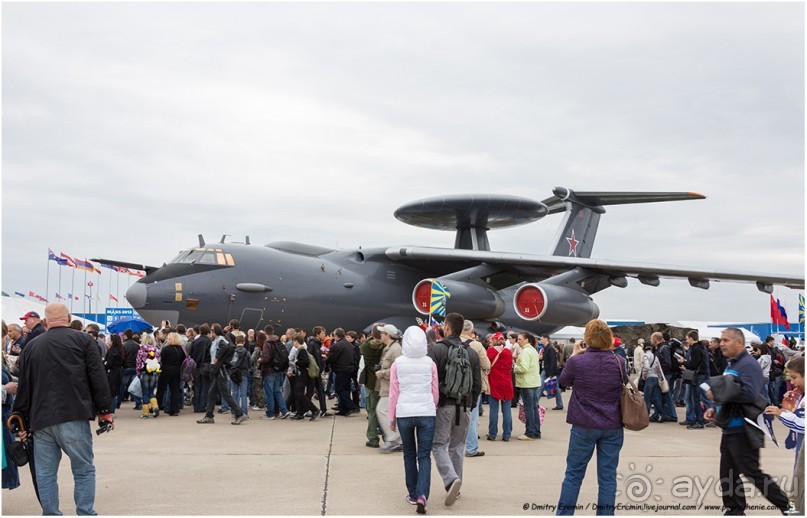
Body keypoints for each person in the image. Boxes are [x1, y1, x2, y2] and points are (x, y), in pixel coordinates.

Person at [13, 303, 113, 515]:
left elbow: (24, 386)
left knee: (46, 474)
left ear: (45, 322)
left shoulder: (31, 346)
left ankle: (51, 514)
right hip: (74, 414)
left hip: (41, 419)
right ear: (68, 317)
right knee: (83, 469)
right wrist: (105, 410)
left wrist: (20, 418)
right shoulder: (84, 340)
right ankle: (85, 512)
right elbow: (98, 377)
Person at [704, 328, 789, 514]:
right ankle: (735, 509)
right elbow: (730, 391)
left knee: (753, 473)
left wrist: (718, 392)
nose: (722, 343)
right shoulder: (732, 364)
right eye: (722, 340)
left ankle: (788, 506)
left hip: (743, 429)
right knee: (728, 474)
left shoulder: (748, 364)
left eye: (726, 340)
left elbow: (750, 393)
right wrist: (714, 407)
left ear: (739, 343)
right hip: (729, 428)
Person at [556, 319, 625, 516]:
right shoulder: (619, 362)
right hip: (612, 423)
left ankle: (564, 514)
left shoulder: (577, 362)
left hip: (584, 423)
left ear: (587, 338)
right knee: (608, 476)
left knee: (574, 474)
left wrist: (574, 354)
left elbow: (564, 381)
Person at [427, 312, 481, 506]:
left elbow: (431, 381)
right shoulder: (472, 352)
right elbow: (477, 384)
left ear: (447, 328)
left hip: (444, 405)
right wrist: (470, 405)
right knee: (458, 447)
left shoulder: (437, 350)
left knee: (438, 444)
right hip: (464, 406)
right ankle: (456, 488)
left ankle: (450, 480)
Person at [389, 326, 439, 514]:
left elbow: (394, 393)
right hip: (426, 411)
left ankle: (412, 493)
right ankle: (422, 495)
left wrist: (392, 417)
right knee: (424, 456)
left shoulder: (397, 363)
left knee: (409, 454)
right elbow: (435, 390)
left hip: (404, 412)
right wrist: (432, 406)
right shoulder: (430, 363)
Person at [765, 355, 804, 514]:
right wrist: (789, 405)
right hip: (800, 454)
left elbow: (803, 424)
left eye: (794, 377)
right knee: (796, 489)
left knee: (799, 492)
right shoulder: (801, 395)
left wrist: (782, 414)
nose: (792, 383)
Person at [197, 327, 248, 425]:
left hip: (221, 371)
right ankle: (209, 415)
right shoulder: (218, 340)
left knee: (225, 394)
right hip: (218, 370)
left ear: (213, 332)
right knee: (212, 393)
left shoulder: (220, 340)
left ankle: (240, 413)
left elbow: (225, 347)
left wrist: (217, 357)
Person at [461, 320, 489, 458]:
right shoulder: (477, 345)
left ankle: (454, 447)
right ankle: (471, 448)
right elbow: (486, 364)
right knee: (471, 418)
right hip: (472, 385)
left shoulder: (449, 342)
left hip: (453, 384)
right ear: (471, 331)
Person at [376, 324, 404, 453]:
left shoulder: (395, 349)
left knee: (381, 410)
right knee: (390, 413)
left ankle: (393, 438)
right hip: (387, 387)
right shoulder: (389, 348)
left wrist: (382, 373)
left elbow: (398, 369)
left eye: (382, 333)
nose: (380, 335)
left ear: (387, 335)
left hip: (391, 388)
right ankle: (398, 440)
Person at [360, 324, 386, 448]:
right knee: (386, 411)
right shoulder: (386, 346)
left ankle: (373, 438)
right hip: (385, 382)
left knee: (372, 411)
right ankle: (388, 437)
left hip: (371, 382)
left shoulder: (365, 346)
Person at [486, 332, 514, 442]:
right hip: (506, 383)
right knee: (506, 410)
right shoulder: (508, 352)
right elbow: (510, 366)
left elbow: (487, 365)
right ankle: (507, 434)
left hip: (494, 383)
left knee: (493, 410)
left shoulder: (490, 351)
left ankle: (492, 434)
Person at [514, 332, 541, 440]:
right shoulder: (533, 350)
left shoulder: (525, 352)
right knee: (534, 408)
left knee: (529, 409)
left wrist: (515, 367)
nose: (518, 341)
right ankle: (536, 431)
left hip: (526, 383)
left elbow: (523, 368)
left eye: (520, 339)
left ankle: (530, 432)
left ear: (526, 340)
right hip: (533, 382)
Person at [327, 328, 360, 416]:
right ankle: (344, 409)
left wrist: (326, 359)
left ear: (336, 336)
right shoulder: (349, 344)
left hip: (341, 370)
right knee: (346, 389)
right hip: (349, 369)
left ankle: (351, 406)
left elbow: (332, 358)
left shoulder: (337, 345)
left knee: (339, 389)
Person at [287, 333, 319, 421]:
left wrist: (297, 362)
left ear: (296, 342)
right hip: (301, 375)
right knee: (298, 395)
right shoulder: (301, 350)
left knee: (299, 394)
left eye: (293, 342)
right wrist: (293, 372)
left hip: (303, 376)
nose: (293, 343)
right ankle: (300, 413)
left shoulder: (302, 350)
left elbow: (305, 362)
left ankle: (314, 409)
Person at [156, 332, 187, 416]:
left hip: (166, 370)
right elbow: (183, 361)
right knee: (175, 390)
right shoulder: (182, 349)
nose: (167, 340)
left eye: (169, 339)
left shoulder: (166, 349)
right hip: (177, 371)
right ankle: (174, 409)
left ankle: (156, 407)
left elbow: (161, 360)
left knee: (161, 390)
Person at [537, 334, 563, 411]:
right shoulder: (547, 348)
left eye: (542, 339)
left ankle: (559, 405)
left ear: (546, 339)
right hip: (547, 370)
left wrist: (551, 373)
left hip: (548, 371)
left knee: (543, 387)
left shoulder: (550, 348)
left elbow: (553, 361)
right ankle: (559, 405)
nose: (541, 340)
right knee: (553, 388)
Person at [104, 334, 125, 413]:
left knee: (111, 393)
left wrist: (104, 363)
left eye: (109, 340)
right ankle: (113, 411)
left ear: (113, 341)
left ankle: (111, 411)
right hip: (118, 372)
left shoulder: (112, 351)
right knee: (115, 392)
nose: (108, 341)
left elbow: (109, 364)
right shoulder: (121, 349)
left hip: (112, 373)